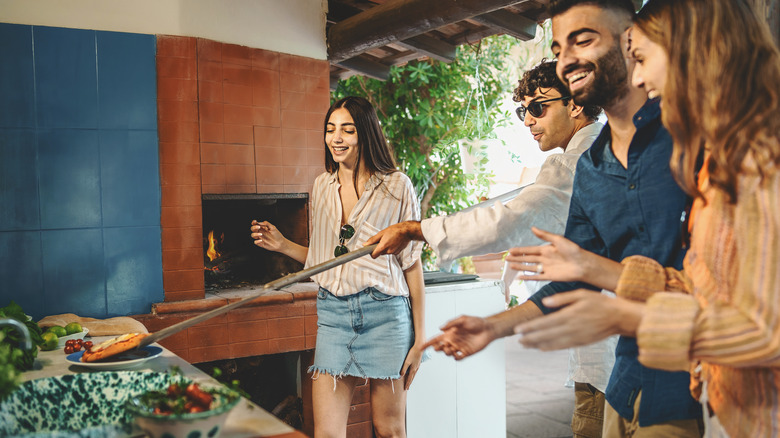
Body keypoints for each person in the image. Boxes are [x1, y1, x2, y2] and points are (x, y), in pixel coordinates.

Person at [423, 1, 706, 436]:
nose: (567, 60)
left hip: (698, 392)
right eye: (559, 46)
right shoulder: (591, 167)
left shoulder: (693, 139)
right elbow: (577, 274)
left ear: (631, 41)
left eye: (584, 39)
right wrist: (493, 327)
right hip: (625, 386)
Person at [507, 0, 780, 436]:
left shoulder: (760, 164)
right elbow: (699, 285)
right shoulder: (718, 167)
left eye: (643, 58)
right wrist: (592, 269)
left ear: (698, 53)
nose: (637, 78)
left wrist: (628, 318)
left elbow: (768, 332)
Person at [368, 59, 605, 437]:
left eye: (537, 108)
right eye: (522, 110)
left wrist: (416, 230)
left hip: (618, 363)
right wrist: (494, 326)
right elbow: (578, 276)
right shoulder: (592, 155)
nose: (527, 120)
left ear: (575, 104)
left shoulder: (581, 162)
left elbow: (508, 220)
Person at [250, 96, 425, 438]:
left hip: (386, 315)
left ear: (366, 133)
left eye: (347, 129)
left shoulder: (396, 186)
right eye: (330, 130)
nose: (336, 138)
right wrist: (282, 244)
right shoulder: (322, 186)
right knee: (327, 433)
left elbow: (412, 265)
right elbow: (324, 261)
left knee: (389, 429)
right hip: (334, 316)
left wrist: (420, 340)